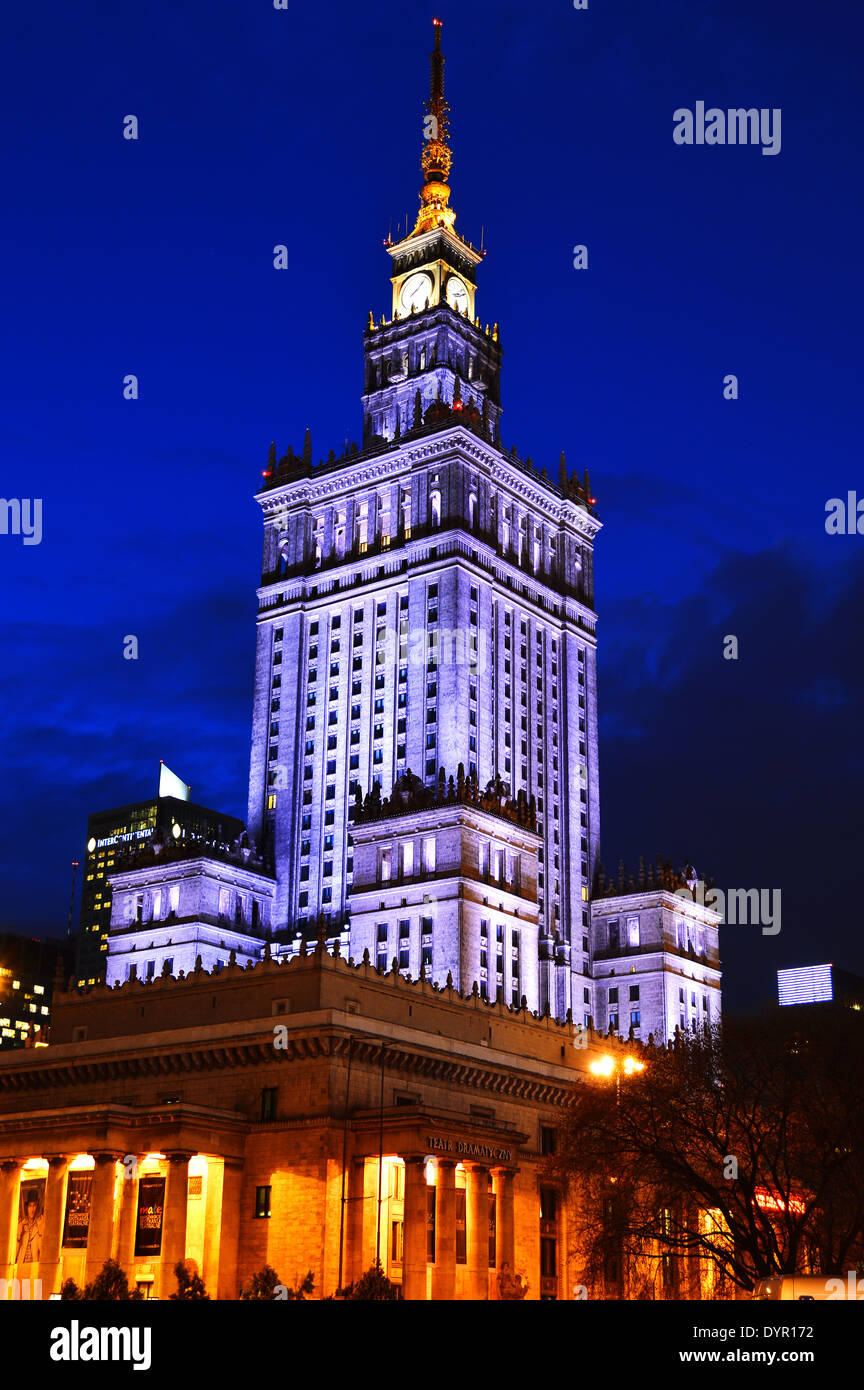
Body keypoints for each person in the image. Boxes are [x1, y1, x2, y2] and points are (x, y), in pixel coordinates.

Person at [16, 1189, 43, 1263]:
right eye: (30, 1206)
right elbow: (14, 1253)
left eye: (34, 1205)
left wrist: (41, 1232)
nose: (32, 1209)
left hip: (35, 1266)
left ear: (37, 1206)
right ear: (26, 1207)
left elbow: (43, 1251)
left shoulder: (41, 1222)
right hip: (21, 1265)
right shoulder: (21, 1223)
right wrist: (18, 1236)